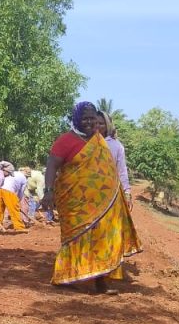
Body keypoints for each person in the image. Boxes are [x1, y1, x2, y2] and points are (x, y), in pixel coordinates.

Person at [40, 101, 142, 293]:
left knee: (102, 238)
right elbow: (52, 166)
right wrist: (48, 192)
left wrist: (123, 192)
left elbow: (112, 169)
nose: (89, 122)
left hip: (104, 203)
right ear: (76, 119)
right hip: (75, 203)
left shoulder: (99, 140)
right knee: (77, 237)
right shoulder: (65, 141)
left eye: (92, 119)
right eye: (84, 118)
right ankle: (66, 277)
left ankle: (101, 281)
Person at [98, 111, 132, 209]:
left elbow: (122, 171)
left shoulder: (116, 146)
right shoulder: (85, 142)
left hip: (108, 192)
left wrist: (127, 192)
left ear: (107, 125)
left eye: (101, 123)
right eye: (95, 123)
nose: (97, 126)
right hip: (87, 193)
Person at [0, 161, 28, 232]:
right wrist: (17, 202)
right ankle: (19, 227)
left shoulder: (12, 172)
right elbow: (20, 193)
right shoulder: (24, 179)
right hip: (8, 190)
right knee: (14, 210)